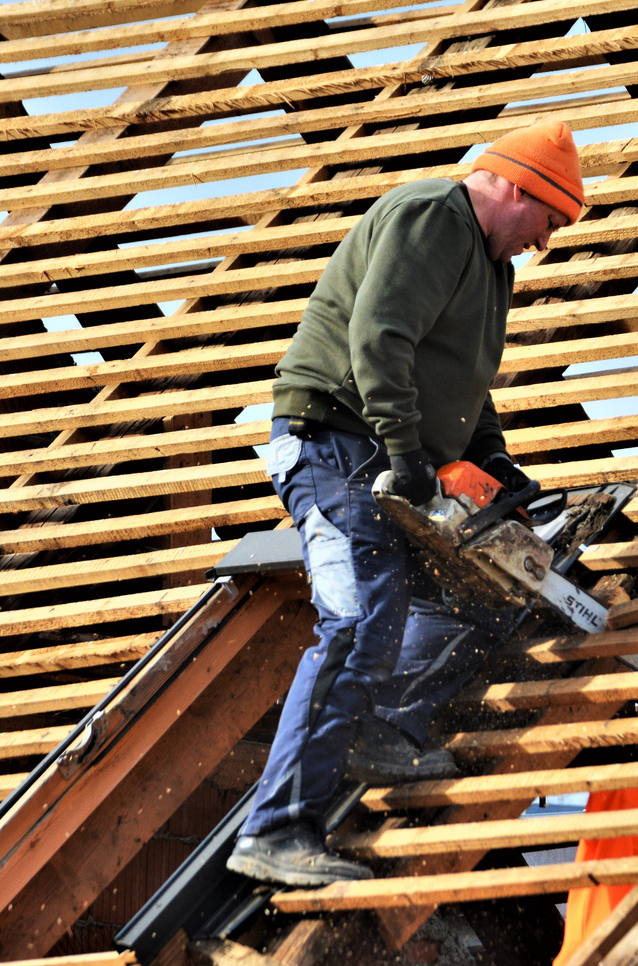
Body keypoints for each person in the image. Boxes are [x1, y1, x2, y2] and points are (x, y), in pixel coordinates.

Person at [227, 121, 585, 888]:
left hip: (387, 450)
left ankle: (381, 726)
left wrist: (492, 464)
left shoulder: (492, 269)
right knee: (358, 619)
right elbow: (379, 337)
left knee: (477, 593)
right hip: (337, 441)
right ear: (517, 188)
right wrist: (406, 454)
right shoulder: (434, 217)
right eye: (547, 223)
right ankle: (276, 830)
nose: (542, 243)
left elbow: (464, 383)